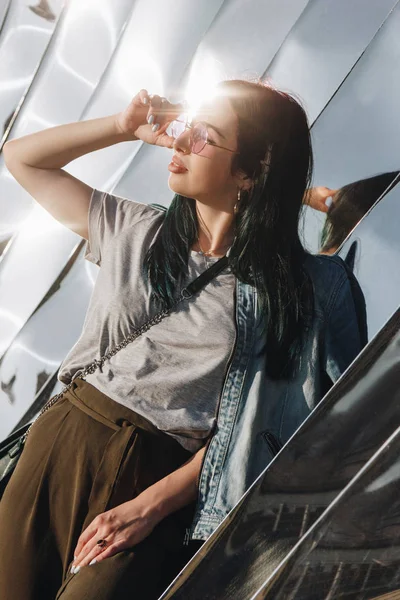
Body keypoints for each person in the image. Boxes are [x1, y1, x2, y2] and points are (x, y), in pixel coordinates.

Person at [0, 79, 366, 599]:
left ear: (252, 169)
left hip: (160, 477)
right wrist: (122, 128)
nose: (179, 143)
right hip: (62, 440)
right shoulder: (134, 229)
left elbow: (272, 427)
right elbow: (22, 159)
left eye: (204, 136)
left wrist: (151, 505)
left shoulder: (294, 291)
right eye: (185, 130)